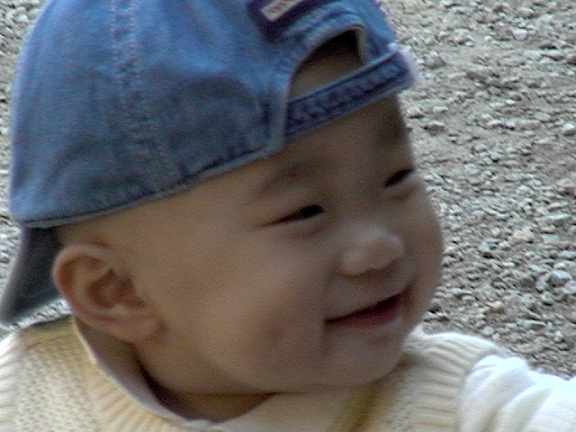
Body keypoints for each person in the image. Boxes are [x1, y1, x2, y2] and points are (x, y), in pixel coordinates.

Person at [0, 0, 574, 430]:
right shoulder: (21, 399)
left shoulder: (464, 407)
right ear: (117, 291)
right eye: (305, 211)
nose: (380, 246)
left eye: (396, 177)